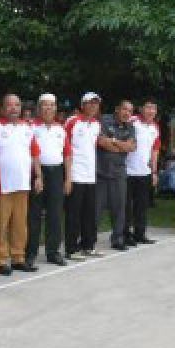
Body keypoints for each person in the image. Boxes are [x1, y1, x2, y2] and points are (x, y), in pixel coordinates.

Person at [0, 94, 41, 274]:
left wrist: (39, 176)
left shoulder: (27, 128)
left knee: (20, 224)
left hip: (23, 184)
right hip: (3, 185)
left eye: (17, 105)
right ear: (2, 108)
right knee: (1, 225)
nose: (13, 108)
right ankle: (0, 260)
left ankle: (18, 257)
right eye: (9, 105)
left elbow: (35, 153)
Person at [28, 94, 67, 266]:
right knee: (34, 214)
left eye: (52, 105)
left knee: (55, 213)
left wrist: (69, 178)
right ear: (39, 108)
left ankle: (53, 252)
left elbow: (67, 154)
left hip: (57, 172)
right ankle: (30, 253)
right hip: (37, 172)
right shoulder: (30, 127)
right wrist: (37, 175)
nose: (49, 108)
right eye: (45, 105)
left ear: (56, 108)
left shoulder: (61, 128)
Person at [64, 92, 103, 259]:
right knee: (74, 214)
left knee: (90, 213)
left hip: (90, 175)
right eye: (90, 103)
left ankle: (88, 245)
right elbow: (64, 147)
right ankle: (71, 249)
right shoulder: (72, 121)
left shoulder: (96, 124)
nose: (93, 106)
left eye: (96, 104)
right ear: (83, 105)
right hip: (75, 174)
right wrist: (68, 177)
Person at [100, 100, 137, 251]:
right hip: (100, 170)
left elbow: (132, 147)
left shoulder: (131, 127)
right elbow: (101, 142)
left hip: (119, 171)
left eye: (130, 111)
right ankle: (88, 241)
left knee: (119, 207)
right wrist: (121, 145)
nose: (127, 113)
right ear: (117, 109)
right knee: (96, 208)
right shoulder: (104, 120)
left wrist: (114, 142)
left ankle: (117, 239)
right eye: (124, 109)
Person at [125, 99, 161, 246]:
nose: (151, 111)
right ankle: (125, 235)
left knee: (142, 206)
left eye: (153, 108)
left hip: (144, 172)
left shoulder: (155, 127)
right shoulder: (132, 121)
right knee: (126, 206)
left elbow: (155, 151)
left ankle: (140, 234)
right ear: (141, 109)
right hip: (127, 171)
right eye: (148, 107)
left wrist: (154, 172)